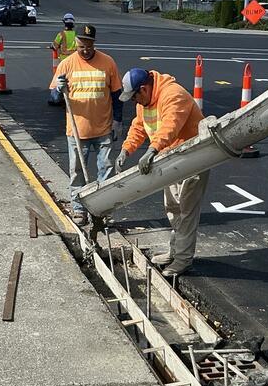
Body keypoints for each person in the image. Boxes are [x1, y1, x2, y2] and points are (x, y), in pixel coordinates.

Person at [114, 68, 207, 277]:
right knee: (173, 207)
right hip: (171, 159)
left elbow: (170, 126)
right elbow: (139, 127)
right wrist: (125, 150)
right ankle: (175, 252)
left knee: (187, 210)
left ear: (144, 89)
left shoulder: (173, 94)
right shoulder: (144, 102)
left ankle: (183, 260)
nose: (134, 102)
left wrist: (151, 150)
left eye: (135, 97)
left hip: (193, 157)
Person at [48, 24, 123, 224]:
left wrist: (118, 121)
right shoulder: (67, 64)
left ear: (94, 44)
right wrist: (59, 89)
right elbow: (54, 96)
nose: (85, 50)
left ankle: (102, 210)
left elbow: (117, 95)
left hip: (103, 128)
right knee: (77, 172)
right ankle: (79, 209)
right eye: (82, 46)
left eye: (89, 45)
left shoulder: (107, 62)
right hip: (76, 130)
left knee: (106, 170)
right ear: (76, 44)